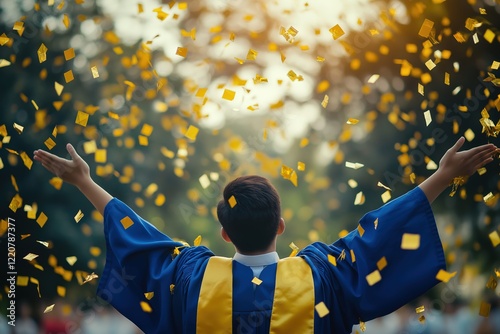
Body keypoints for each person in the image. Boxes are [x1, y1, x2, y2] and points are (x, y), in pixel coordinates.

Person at [33, 137, 496, 334]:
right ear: (281, 226)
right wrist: (439, 178)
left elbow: (142, 244)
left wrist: (85, 183)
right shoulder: (322, 276)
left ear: (223, 233)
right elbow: (378, 234)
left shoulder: (191, 279)